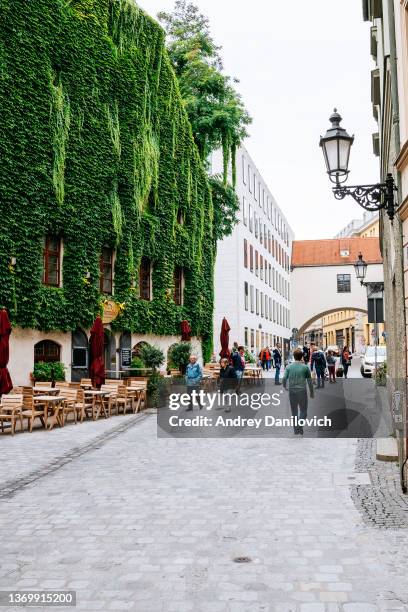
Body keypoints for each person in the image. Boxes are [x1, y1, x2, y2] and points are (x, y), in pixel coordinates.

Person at [283, 347, 314, 436]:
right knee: (303, 411)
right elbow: (309, 381)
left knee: (294, 411)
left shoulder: (288, 367)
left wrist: (285, 386)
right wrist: (311, 392)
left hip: (292, 391)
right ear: (301, 357)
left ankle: (296, 430)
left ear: (294, 356)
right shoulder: (305, 367)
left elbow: (284, 378)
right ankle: (300, 425)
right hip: (302, 391)